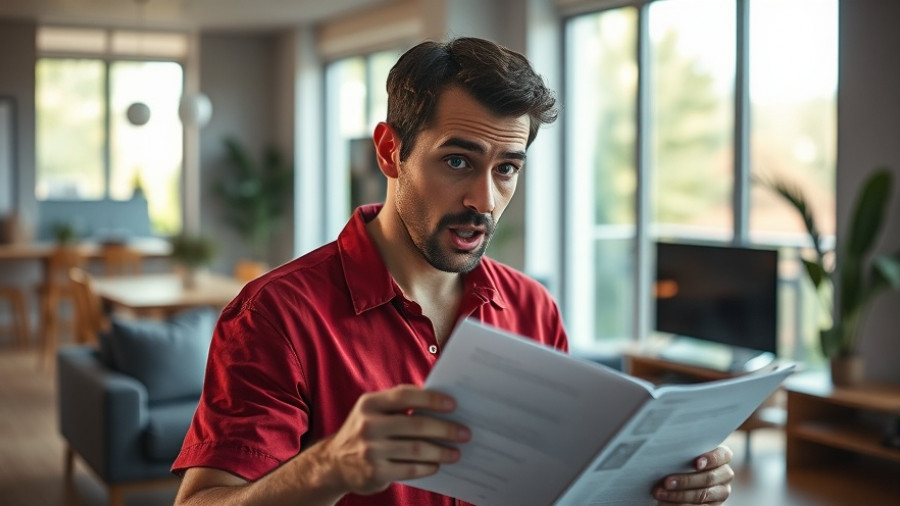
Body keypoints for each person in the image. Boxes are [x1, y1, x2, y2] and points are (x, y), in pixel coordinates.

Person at [172, 37, 734, 506]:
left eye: (507, 168)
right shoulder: (277, 316)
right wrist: (329, 468)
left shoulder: (533, 309)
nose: (484, 200)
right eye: (457, 161)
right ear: (391, 152)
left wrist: (664, 486)